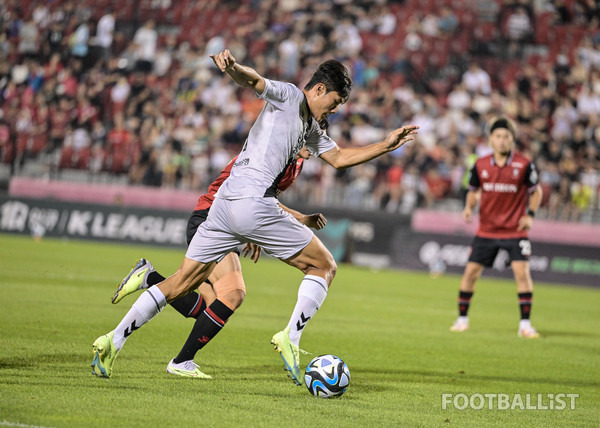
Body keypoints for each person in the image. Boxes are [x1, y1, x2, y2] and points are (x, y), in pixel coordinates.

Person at [91, 49, 418, 384]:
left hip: (223, 207)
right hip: (252, 204)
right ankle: (290, 337)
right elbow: (255, 81)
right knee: (323, 266)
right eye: (334, 102)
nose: (334, 110)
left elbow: (339, 158)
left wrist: (385, 145)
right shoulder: (290, 96)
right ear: (318, 89)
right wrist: (232, 68)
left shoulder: (309, 129)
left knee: (178, 284)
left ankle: (112, 341)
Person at [110, 145, 326, 379]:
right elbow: (255, 196)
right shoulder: (271, 152)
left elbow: (266, 197)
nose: (315, 144)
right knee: (232, 294)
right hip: (213, 218)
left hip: (229, 220)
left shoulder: (294, 161)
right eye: (311, 136)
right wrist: (300, 219)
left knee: (209, 307)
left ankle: (150, 277)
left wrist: (254, 228)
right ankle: (180, 360)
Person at [450, 116, 542, 338]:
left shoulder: (523, 164)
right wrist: (468, 208)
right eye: (498, 136)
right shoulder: (480, 165)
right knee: (471, 272)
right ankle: (462, 319)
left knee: (522, 273)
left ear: (512, 140)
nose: (502, 141)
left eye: (506, 137)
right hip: (487, 230)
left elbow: (536, 191)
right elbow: (473, 191)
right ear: (491, 139)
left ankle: (525, 325)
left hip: (515, 230)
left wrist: (530, 215)